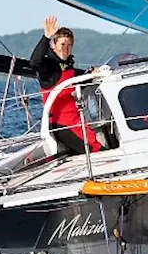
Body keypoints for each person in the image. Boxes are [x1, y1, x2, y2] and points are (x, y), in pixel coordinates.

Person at [29, 16, 101, 153]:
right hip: (63, 125)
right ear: (54, 45)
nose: (65, 49)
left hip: (76, 121)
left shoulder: (68, 65)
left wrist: (91, 74)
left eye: (69, 46)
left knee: (98, 146)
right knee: (97, 150)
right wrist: (46, 37)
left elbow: (75, 82)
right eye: (62, 44)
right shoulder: (49, 67)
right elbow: (34, 62)